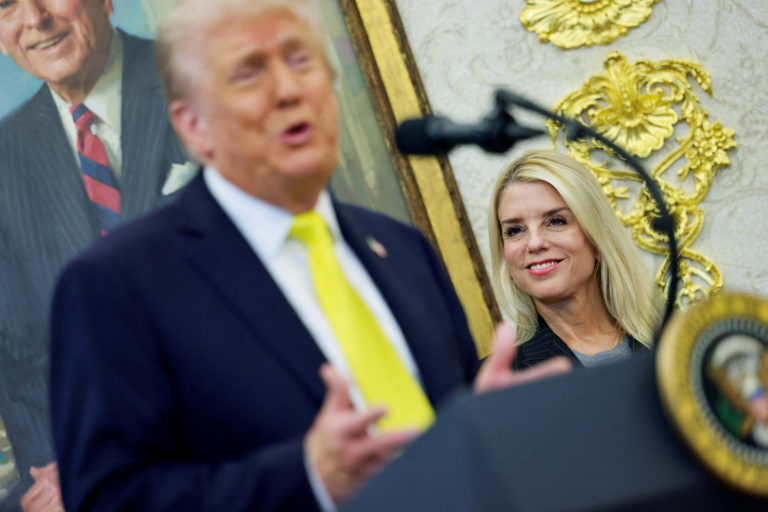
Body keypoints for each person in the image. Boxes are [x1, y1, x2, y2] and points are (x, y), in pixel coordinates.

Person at [48, 1, 570, 511]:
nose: (289, 89)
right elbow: (106, 498)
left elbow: (450, 440)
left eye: (301, 61)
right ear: (194, 127)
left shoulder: (403, 250)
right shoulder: (116, 283)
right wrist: (308, 478)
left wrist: (485, 427)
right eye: (249, 73)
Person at [0, 0, 192, 509]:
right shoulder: (4, 158)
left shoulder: (205, 79)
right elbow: (20, 355)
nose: (34, 18)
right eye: (5, 4)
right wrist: (63, 466)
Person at [488, 150, 661, 369]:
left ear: (596, 237)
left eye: (556, 221)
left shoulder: (676, 341)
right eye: (515, 231)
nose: (534, 243)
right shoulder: (505, 379)